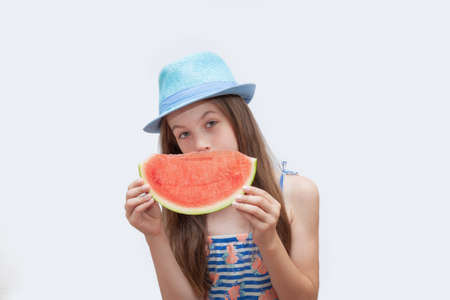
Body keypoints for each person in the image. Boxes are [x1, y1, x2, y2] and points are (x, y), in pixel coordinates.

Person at [125, 51, 320, 300]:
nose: (201, 144)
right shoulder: (178, 207)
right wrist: (154, 235)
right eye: (183, 134)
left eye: (211, 123)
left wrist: (269, 241)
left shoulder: (297, 193)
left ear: (238, 120)